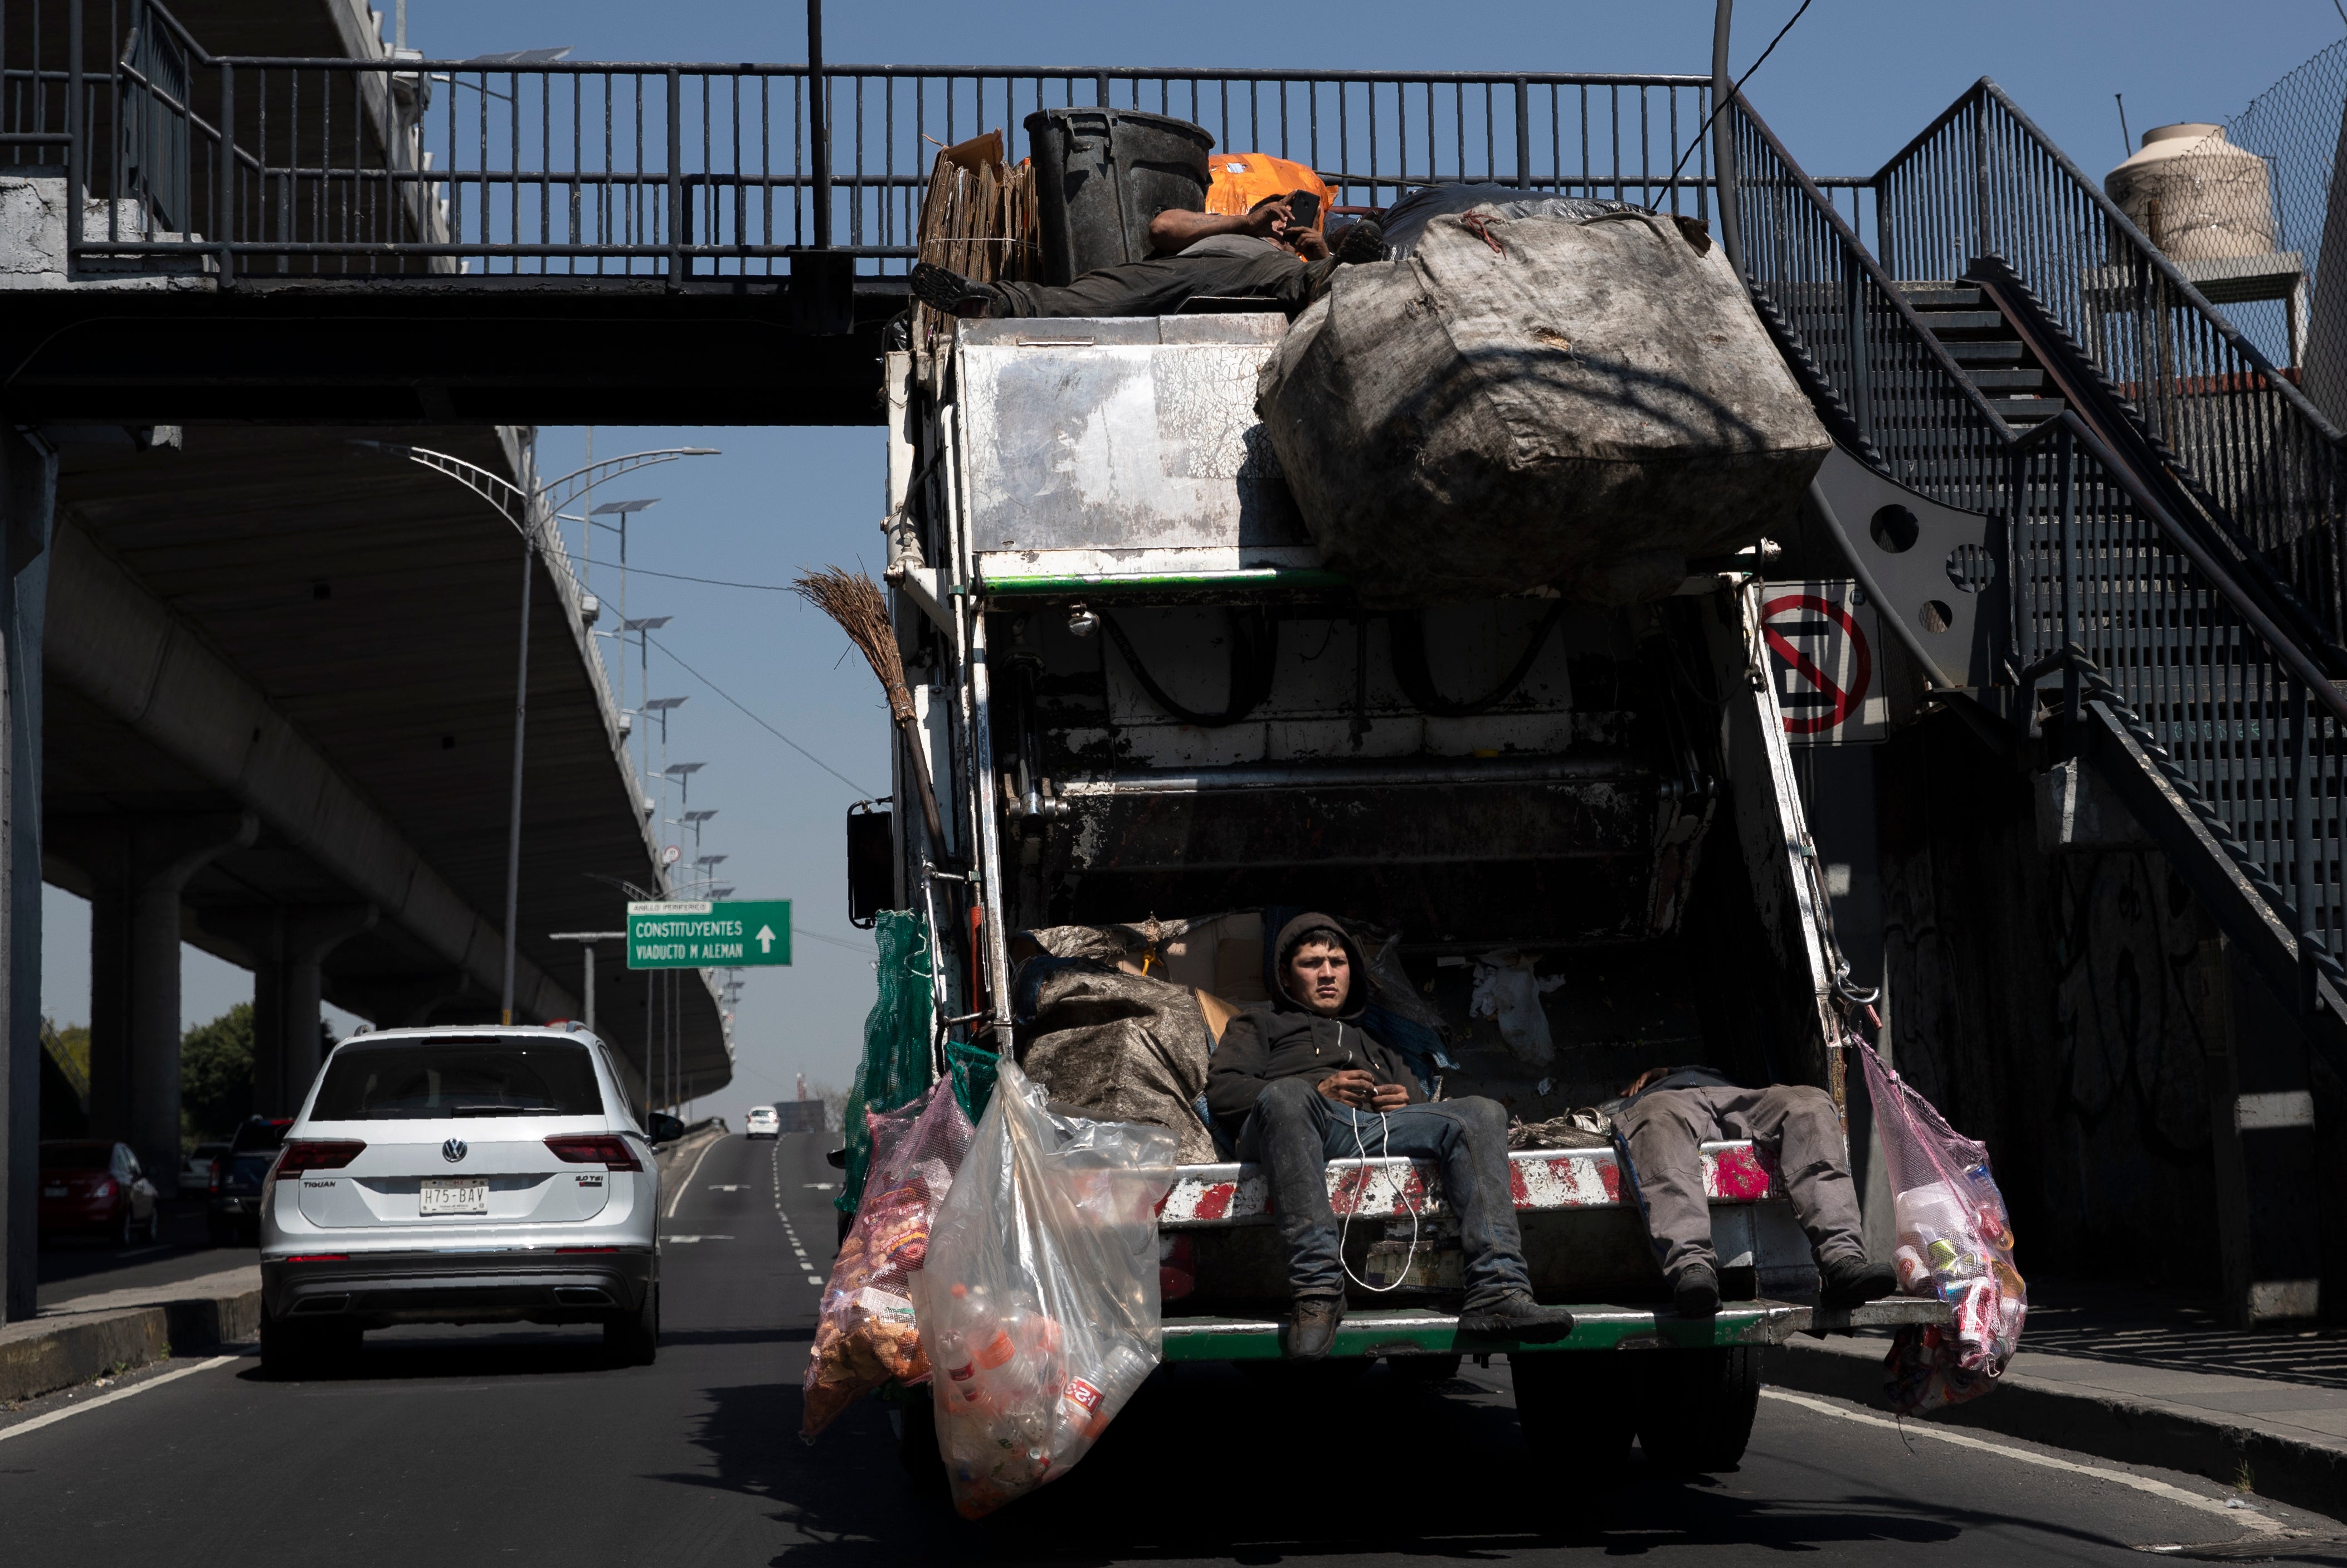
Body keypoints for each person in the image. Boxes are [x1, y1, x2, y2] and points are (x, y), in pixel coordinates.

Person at [1204, 912, 1575, 1358]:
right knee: (1287, 1097)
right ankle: (1318, 1292)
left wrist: (1406, 1102)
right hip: (1293, 1126)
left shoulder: (1375, 1042)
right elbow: (1225, 1094)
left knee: (1480, 1112)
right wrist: (1315, 1091)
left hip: (1371, 1129)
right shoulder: (1257, 1025)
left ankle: (1499, 1289)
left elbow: (1425, 1111)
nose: (1327, 974)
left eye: (1337, 962)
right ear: (1286, 975)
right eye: (1312, 963)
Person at [1612, 1065, 1897, 1317]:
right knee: (1657, 1123)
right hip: (1668, 1103)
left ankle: (1842, 1261)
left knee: (1810, 1103)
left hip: (1737, 1094)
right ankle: (1693, 1269)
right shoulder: (1648, 1095)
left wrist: (1670, 1069)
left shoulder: (1716, 1071)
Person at [909, 194, 1387, 322]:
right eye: (1275, 211)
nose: (1282, 221)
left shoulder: (1287, 258)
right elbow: (1162, 229)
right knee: (1094, 296)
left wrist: (1318, 253)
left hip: (1267, 275)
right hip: (1184, 268)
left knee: (1314, 281)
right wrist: (1246, 223)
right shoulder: (1230, 226)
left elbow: (1303, 283)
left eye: (1289, 217)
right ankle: (989, 302)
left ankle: (1346, 271)